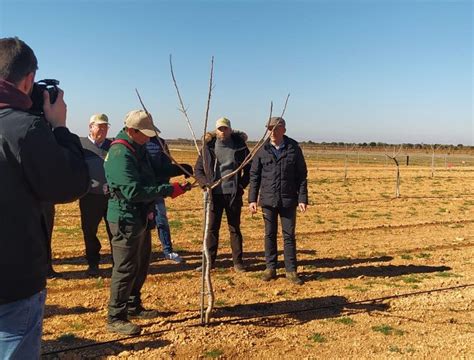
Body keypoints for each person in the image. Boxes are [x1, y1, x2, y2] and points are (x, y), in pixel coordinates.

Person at [0, 37, 90, 358]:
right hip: (12, 283)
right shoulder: (25, 129)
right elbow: (71, 183)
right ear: (27, 79)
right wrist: (60, 127)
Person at [104, 109, 191, 335]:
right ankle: (116, 316)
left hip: (141, 215)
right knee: (124, 267)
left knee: (141, 263)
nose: (149, 137)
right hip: (125, 217)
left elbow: (153, 172)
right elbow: (133, 191)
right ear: (132, 131)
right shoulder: (120, 153)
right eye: (145, 133)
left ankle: (133, 306)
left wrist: (178, 169)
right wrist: (169, 190)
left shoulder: (137, 148)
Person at [248, 117, 308, 285]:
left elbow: (302, 176)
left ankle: (291, 270)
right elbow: (254, 176)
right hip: (268, 200)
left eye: (276, 128)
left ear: (284, 130)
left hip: (289, 200)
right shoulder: (262, 149)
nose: (272, 132)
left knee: (289, 235)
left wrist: (302, 198)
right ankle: (270, 268)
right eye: (269, 128)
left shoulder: (294, 149)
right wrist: (252, 199)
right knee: (269, 234)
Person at [194, 117, 250, 272]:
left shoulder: (240, 146)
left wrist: (240, 186)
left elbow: (250, 169)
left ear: (230, 129)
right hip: (214, 195)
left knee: (234, 228)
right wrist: (206, 184)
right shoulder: (208, 147)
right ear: (216, 130)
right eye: (220, 128)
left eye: (225, 128)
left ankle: (238, 262)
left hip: (233, 194)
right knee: (211, 228)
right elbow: (198, 170)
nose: (222, 131)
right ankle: (209, 262)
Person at [146, 136, 193, 264]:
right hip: (142, 189)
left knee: (161, 220)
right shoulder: (134, 141)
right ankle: (144, 253)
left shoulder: (160, 142)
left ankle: (168, 251)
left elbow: (166, 165)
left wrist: (167, 184)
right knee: (143, 223)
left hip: (157, 189)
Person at [79, 113, 113, 277]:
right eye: (100, 126)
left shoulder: (113, 146)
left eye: (106, 126)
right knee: (89, 231)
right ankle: (93, 263)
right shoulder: (81, 145)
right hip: (89, 197)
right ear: (91, 127)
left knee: (114, 230)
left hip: (111, 197)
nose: (103, 130)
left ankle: (117, 263)